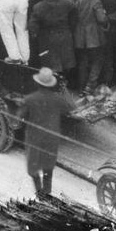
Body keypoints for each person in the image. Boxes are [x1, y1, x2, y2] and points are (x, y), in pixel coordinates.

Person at [17, 68, 77, 197]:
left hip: (34, 138)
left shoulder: (30, 99)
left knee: (33, 167)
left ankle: (39, 193)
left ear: (37, 83)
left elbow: (19, 118)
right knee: (48, 166)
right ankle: (47, 193)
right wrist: (64, 89)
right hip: (52, 137)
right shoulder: (57, 99)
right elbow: (72, 106)